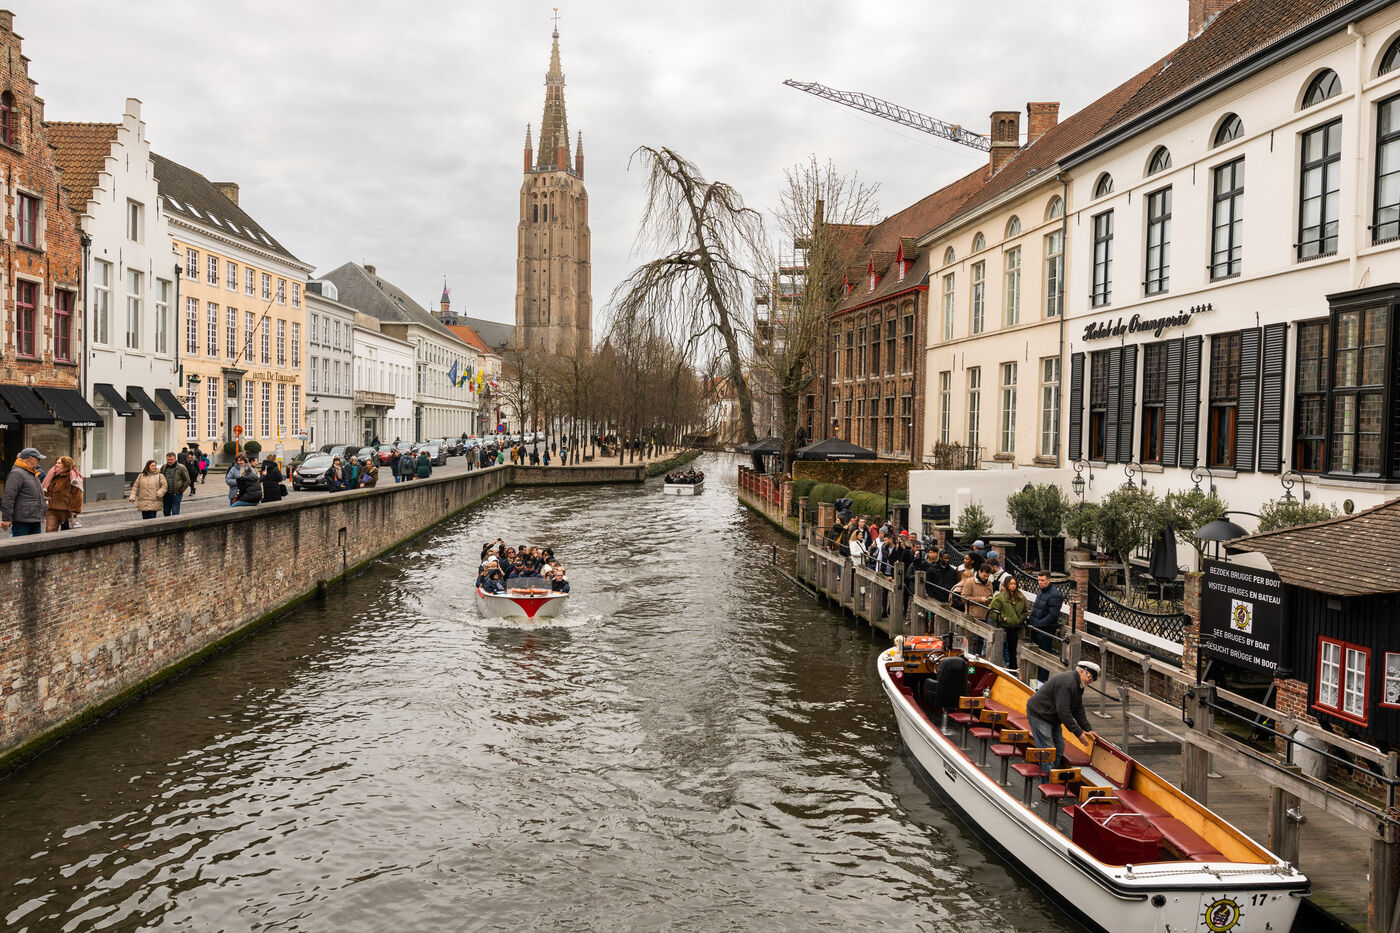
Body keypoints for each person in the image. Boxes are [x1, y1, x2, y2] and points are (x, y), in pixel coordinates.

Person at [1025, 661, 1102, 773]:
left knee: (1059, 747)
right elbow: (1063, 712)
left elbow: (1078, 708)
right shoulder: (1067, 683)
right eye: (1090, 678)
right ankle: (1048, 781)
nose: (1091, 682)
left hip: (1052, 717)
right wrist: (1079, 733)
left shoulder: (1079, 684)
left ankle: (1053, 775)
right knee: (1048, 751)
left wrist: (1088, 729)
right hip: (1039, 714)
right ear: (1081, 672)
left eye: (1093, 680)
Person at [1027, 571, 1065, 684]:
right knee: (1034, 656)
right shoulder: (1041, 591)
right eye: (1038, 580)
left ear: (1049, 580)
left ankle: (1041, 683)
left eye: (1042, 580)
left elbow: (1053, 616)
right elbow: (1036, 609)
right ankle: (1033, 683)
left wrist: (1038, 624)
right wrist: (1031, 621)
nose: (1040, 582)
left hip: (1045, 631)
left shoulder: (1055, 595)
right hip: (1035, 629)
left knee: (1044, 657)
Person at [2, 447, 47, 536]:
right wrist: (6, 519)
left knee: (35, 544)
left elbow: (33, 493)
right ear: (30, 459)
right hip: (22, 520)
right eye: (37, 459)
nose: (39, 461)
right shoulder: (17, 473)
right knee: (21, 544)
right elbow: (9, 497)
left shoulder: (32, 472)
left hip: (34, 518)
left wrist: (44, 501)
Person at [988, 575, 1029, 667]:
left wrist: (1019, 619)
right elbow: (992, 612)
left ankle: (1013, 669)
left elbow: (1025, 612)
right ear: (1007, 585)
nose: (1013, 585)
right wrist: (1002, 618)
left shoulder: (1021, 598)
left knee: (1013, 651)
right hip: (1003, 627)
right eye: (1011, 584)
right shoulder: (1000, 597)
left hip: (1015, 628)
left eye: (1014, 584)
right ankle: (998, 667)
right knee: (1000, 649)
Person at [42, 455, 84, 532]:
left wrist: (74, 510)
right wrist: (47, 500)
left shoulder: (73, 477)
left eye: (59, 463)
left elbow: (77, 494)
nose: (56, 465)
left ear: (66, 465)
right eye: (56, 462)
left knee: (66, 532)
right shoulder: (52, 475)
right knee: (50, 531)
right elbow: (48, 490)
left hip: (65, 510)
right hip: (51, 509)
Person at [160, 451, 193, 517]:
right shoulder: (164, 467)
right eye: (168, 459)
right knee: (166, 512)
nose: (169, 461)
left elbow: (187, 480)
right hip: (166, 494)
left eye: (171, 459)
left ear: (175, 459)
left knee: (175, 512)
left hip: (176, 494)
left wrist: (181, 491)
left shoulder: (181, 467)